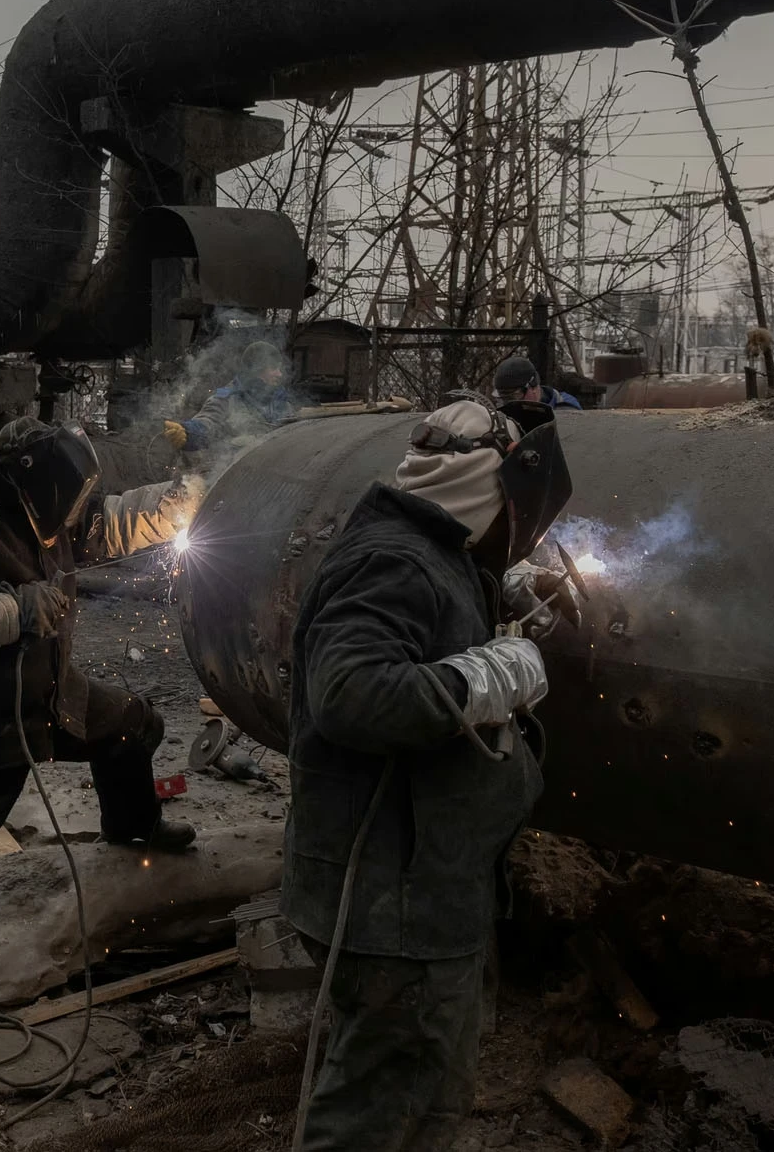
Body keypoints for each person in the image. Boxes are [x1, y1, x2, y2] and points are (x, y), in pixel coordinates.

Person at [284, 393, 574, 1151]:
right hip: (393, 903)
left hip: (423, 892)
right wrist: (488, 676)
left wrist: (500, 588)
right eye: (515, 519)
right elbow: (350, 693)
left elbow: (425, 614)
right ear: (486, 493)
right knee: (375, 1117)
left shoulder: (420, 545)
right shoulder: (393, 560)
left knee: (427, 1097)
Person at [0, 417, 205, 1033]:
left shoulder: (46, 513)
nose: (73, 515)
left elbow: (112, 522)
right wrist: (17, 609)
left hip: (53, 695)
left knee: (135, 725)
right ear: (31, 482)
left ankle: (133, 827)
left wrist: (185, 499)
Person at [161, 340, 298, 452]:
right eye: (274, 368)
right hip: (239, 473)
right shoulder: (227, 398)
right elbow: (208, 422)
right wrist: (187, 432)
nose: (279, 374)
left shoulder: (282, 402)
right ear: (258, 369)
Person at [492, 355, 581, 410]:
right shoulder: (503, 413)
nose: (510, 404)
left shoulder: (565, 409)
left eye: (514, 396)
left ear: (533, 386)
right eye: (503, 398)